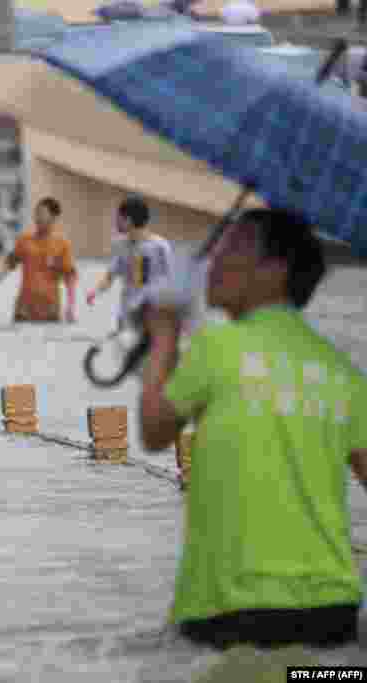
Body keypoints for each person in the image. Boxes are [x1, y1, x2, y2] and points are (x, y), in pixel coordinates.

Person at [138, 208, 367, 650]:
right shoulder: (343, 373)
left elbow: (154, 430)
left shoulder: (218, 347)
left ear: (276, 270)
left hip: (230, 611)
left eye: (235, 247)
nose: (216, 261)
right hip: (333, 614)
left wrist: (164, 335)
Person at [0, 197, 78, 323]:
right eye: (36, 213)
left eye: (42, 214)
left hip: (50, 310)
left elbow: (70, 278)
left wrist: (71, 307)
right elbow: (8, 265)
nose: (37, 217)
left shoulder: (62, 245)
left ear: (54, 218)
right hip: (24, 309)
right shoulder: (24, 241)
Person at [86, 195, 174, 330]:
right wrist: (95, 291)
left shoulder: (160, 247)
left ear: (128, 220)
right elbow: (110, 276)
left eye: (119, 218)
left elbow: (172, 282)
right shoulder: (120, 245)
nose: (116, 222)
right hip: (126, 315)